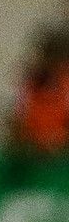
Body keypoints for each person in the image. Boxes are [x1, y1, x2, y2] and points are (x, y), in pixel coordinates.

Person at [10, 28, 69, 156]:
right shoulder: (28, 85)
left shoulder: (66, 86)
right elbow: (17, 124)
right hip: (32, 157)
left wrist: (58, 141)